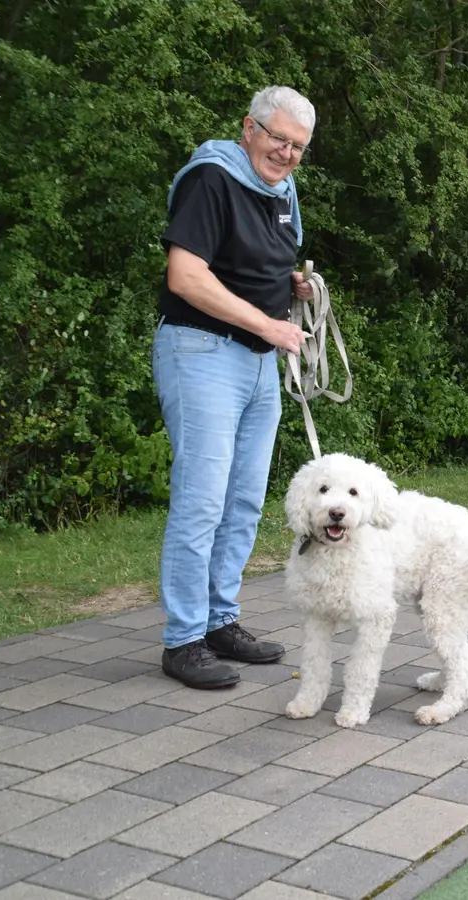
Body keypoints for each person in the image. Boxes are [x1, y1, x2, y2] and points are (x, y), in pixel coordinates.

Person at [154, 86, 320, 688]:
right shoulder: (212, 179)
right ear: (248, 127)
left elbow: (258, 266)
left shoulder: (279, 190)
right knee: (201, 500)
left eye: (298, 146)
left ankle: (221, 621)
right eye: (277, 138)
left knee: (244, 500)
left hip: (257, 361)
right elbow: (187, 275)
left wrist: (293, 290)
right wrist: (267, 323)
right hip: (200, 351)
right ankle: (183, 640)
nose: (286, 153)